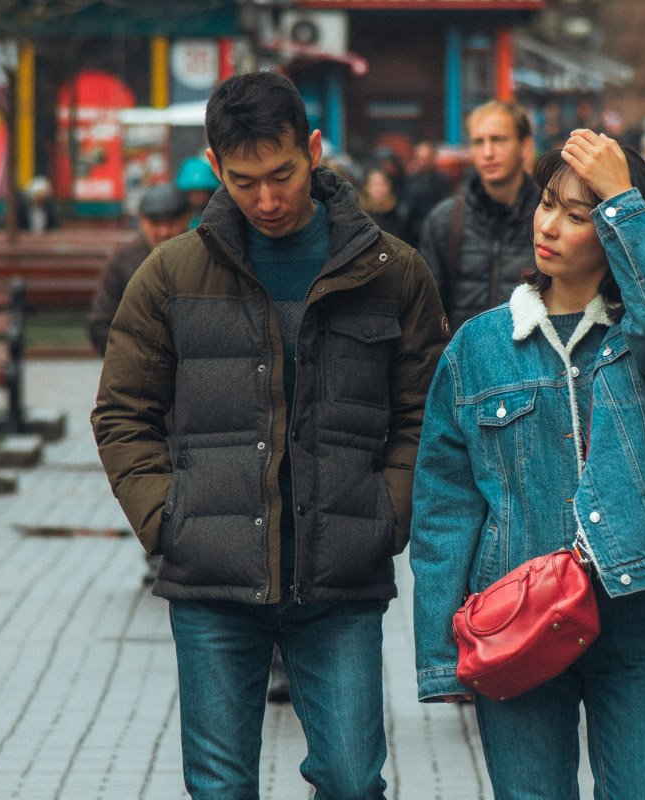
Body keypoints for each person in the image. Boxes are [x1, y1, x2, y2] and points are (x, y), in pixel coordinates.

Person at [91, 71, 447, 799]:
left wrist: (386, 515)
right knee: (220, 787)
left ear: (314, 150)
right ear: (217, 169)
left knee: (352, 780)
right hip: (212, 578)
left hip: (339, 579)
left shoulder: (393, 273)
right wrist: (169, 522)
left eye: (283, 174)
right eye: (246, 181)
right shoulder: (170, 275)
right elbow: (123, 412)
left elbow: (424, 413)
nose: (269, 199)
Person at [411, 130, 645, 799]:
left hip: (638, 608)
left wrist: (623, 198)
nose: (548, 225)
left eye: (579, 215)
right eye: (548, 203)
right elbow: (445, 504)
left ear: (613, 232)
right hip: (515, 612)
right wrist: (441, 656)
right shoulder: (480, 346)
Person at [417, 100, 540, 328]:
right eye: (478, 142)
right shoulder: (445, 220)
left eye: (498, 140)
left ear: (525, 146)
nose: (488, 152)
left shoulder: (547, 217)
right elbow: (428, 313)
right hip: (464, 358)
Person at [86, 183, 192, 358]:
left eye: (172, 222)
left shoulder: (202, 256)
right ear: (142, 221)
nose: (164, 231)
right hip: (139, 365)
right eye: (155, 223)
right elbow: (100, 324)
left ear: (187, 218)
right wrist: (133, 361)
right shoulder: (122, 260)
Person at [400, 140, 453, 247]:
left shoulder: (444, 181)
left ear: (433, 158)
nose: (424, 162)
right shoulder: (408, 181)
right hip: (414, 234)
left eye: (427, 158)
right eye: (421, 158)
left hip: (438, 231)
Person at [358, 166, 408, 239]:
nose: (379, 189)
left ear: (389, 186)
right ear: (367, 187)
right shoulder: (361, 215)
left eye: (382, 184)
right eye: (375, 185)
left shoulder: (400, 213)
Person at [174, 155, 220, 227]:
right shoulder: (178, 218)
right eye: (193, 192)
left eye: (202, 192)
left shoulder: (219, 215)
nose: (198, 197)